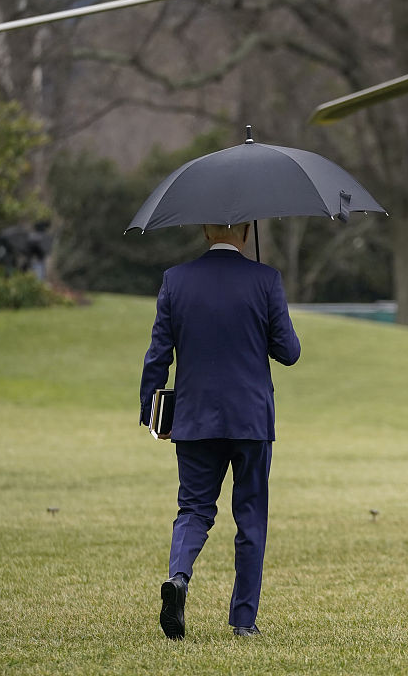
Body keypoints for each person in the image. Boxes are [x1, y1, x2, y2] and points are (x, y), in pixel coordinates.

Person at [139, 222, 301, 640]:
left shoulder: (175, 281)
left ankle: (179, 578)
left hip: (194, 420)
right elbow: (289, 352)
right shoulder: (266, 279)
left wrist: (149, 410)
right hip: (250, 419)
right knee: (250, 517)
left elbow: (158, 354)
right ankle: (243, 620)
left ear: (203, 230)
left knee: (193, 509)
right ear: (247, 231)